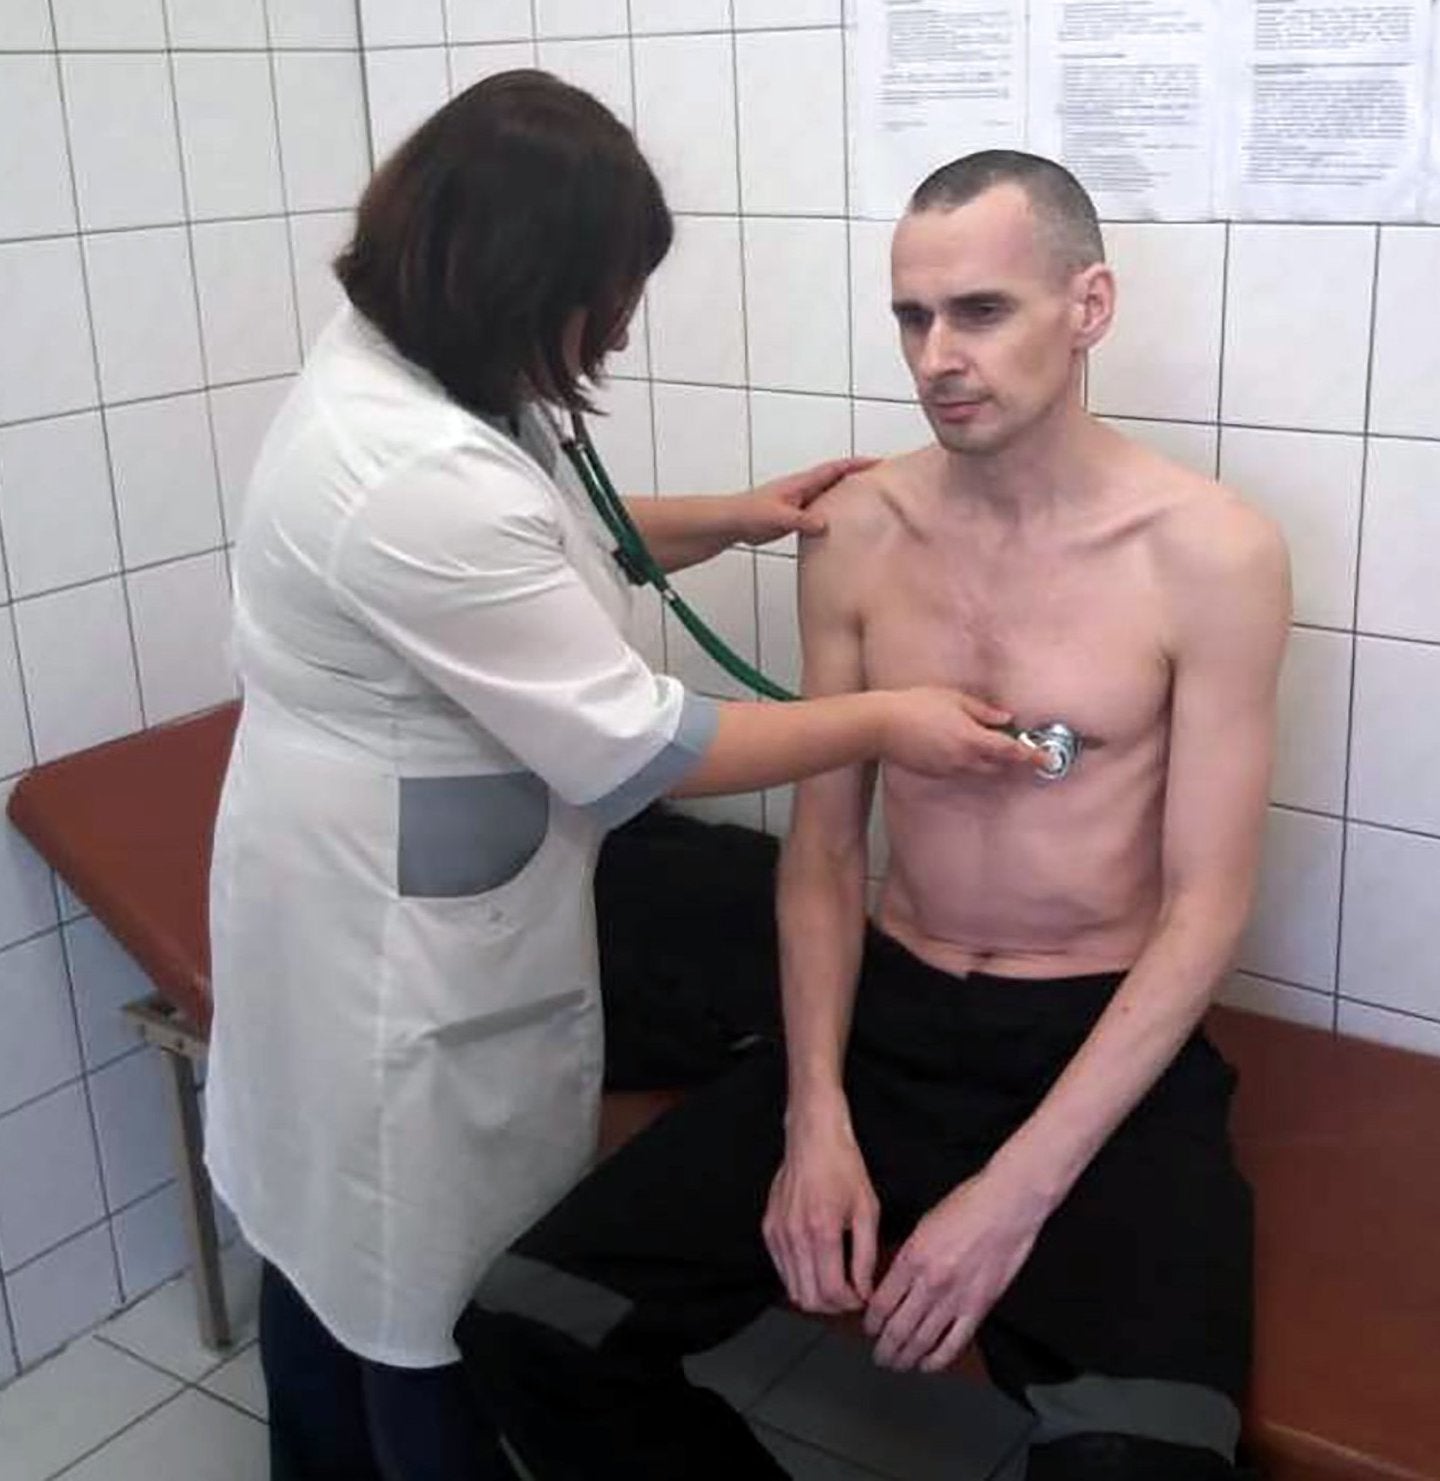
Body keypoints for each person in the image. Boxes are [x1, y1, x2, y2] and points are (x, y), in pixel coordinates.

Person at [202, 77, 1038, 1481]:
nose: (627, 323)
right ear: (521, 277)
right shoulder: (400, 467)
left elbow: (544, 535)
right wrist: (893, 715)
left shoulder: (418, 369)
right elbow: (647, 743)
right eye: (611, 291)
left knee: (330, 1237)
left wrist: (739, 513)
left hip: (377, 859)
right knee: (411, 1283)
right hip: (388, 944)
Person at [455, 150, 1290, 1479]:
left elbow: (1206, 909)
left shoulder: (1211, 553)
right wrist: (815, 1116)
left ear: (1089, 307)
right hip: (888, 1018)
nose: (938, 356)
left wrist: (1010, 1196)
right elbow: (827, 852)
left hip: (1095, 1036)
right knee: (531, 1327)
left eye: (982, 311)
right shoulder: (858, 530)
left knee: (1149, 1458)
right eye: (913, 317)